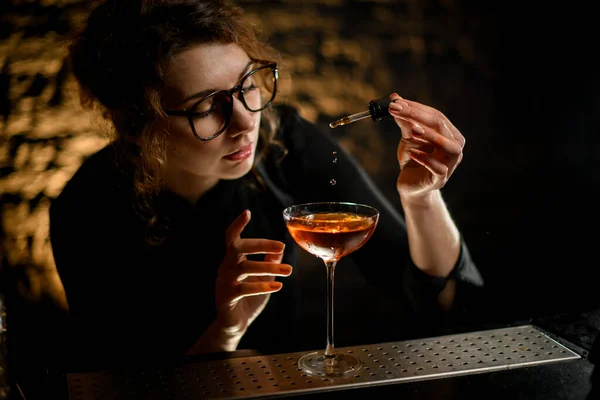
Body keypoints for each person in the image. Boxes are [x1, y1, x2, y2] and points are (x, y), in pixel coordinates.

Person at [48, 0, 484, 366]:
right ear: (137, 126)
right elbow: (122, 387)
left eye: (247, 86)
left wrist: (423, 198)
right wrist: (227, 330)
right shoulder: (86, 209)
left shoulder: (285, 142)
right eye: (205, 107)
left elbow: (444, 303)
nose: (246, 122)